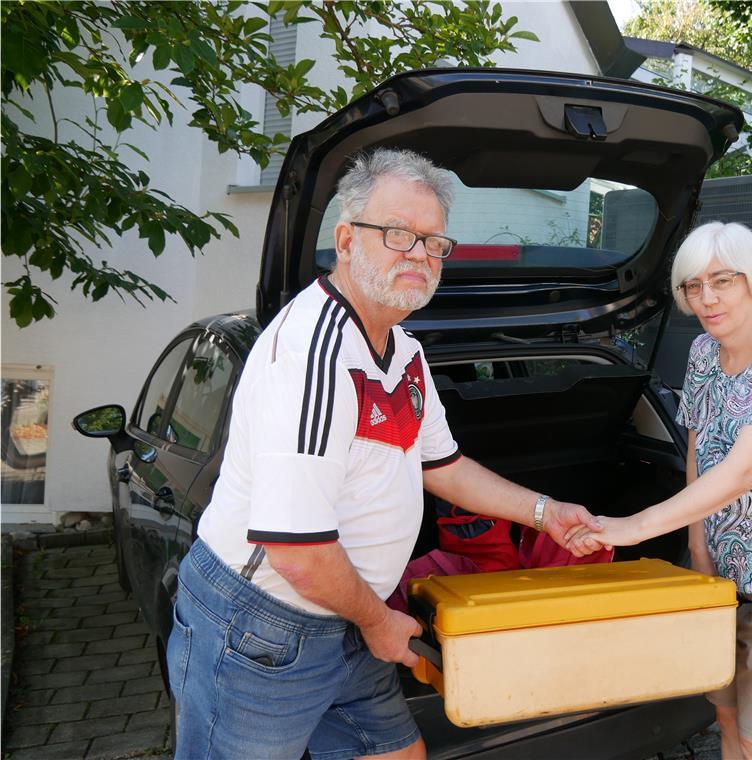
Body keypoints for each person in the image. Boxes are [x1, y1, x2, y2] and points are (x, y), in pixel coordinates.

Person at [167, 147, 603, 760]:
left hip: (345, 612)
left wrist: (543, 512)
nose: (419, 255)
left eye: (433, 242)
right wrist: (377, 620)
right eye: (398, 234)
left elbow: (444, 467)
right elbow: (297, 547)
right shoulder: (314, 360)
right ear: (346, 239)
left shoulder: (402, 352)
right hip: (262, 625)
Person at [568, 221, 752, 760]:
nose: (707, 298)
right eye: (694, 286)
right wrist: (698, 550)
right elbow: (698, 454)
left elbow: (742, 471)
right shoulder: (702, 354)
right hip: (720, 569)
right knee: (725, 713)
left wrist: (634, 527)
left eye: (722, 281)